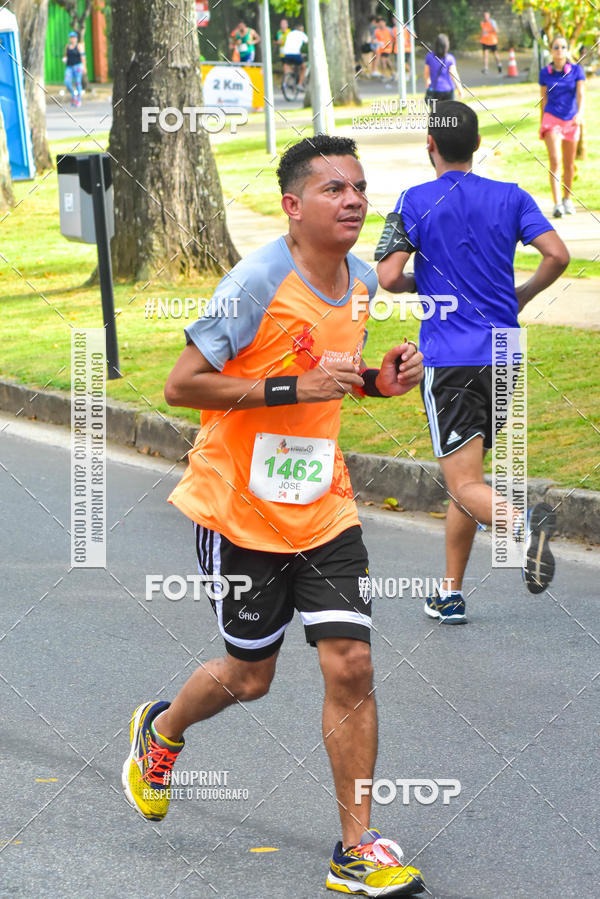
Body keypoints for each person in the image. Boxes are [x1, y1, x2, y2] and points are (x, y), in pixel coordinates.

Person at [122, 134, 426, 896]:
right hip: (240, 510)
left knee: (351, 662)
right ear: (293, 206)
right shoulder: (255, 281)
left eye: (360, 187)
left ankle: (357, 847)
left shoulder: (361, 281)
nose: (354, 200)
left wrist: (377, 382)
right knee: (249, 675)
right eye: (334, 189)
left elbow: (331, 373)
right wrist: (291, 389)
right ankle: (161, 730)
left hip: (323, 506)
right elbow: (182, 385)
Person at [376, 102, 569, 624]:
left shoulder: (414, 200)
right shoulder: (512, 196)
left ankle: (525, 528)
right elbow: (558, 255)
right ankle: (450, 593)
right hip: (504, 356)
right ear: (477, 144)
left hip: (450, 362)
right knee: (467, 480)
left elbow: (388, 277)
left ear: (430, 146)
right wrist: (523, 294)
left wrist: (422, 284)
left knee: (464, 483)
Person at [539, 36, 586, 218]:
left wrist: (580, 114)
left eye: (563, 47)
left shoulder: (576, 71)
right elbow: (543, 99)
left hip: (571, 121)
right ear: (551, 50)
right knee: (555, 160)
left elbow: (581, 94)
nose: (560, 50)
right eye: (556, 47)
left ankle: (567, 199)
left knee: (569, 164)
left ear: (567, 50)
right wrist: (542, 122)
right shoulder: (545, 73)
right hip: (551, 119)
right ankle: (557, 204)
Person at [424, 34, 463, 103]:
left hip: (435, 89)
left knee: (435, 109)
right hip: (449, 89)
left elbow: (426, 72)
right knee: (448, 109)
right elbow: (453, 74)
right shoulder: (450, 58)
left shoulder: (429, 57)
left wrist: (427, 81)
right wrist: (460, 89)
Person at [62, 30, 86, 108]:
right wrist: (64, 59)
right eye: (71, 37)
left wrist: (84, 67)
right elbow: (65, 55)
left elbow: (83, 57)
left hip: (78, 66)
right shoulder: (67, 46)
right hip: (69, 67)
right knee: (67, 81)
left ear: (76, 38)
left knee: (77, 82)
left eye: (73, 37)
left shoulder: (79, 46)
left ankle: (78, 100)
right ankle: (74, 96)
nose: (72, 39)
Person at [282, 23, 308, 91]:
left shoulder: (290, 33)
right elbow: (307, 41)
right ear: (301, 29)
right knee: (303, 68)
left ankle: (285, 82)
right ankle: (299, 84)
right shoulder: (301, 34)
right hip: (295, 54)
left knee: (287, 67)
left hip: (286, 54)